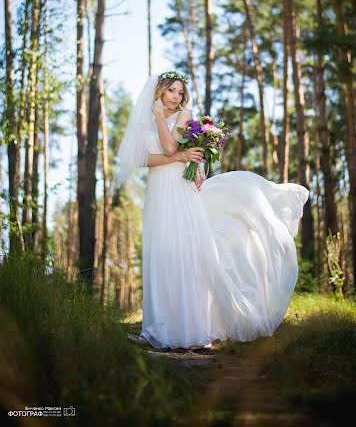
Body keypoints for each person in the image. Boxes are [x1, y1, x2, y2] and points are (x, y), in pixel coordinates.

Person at [113, 71, 309, 351]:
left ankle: (190, 328)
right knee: (160, 252)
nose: (176, 97)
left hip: (180, 190)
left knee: (186, 253)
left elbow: (170, 147)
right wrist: (178, 154)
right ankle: (154, 328)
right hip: (158, 190)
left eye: (180, 92)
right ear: (159, 92)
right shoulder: (144, 121)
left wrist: (168, 134)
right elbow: (142, 158)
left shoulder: (184, 114)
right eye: (172, 91)